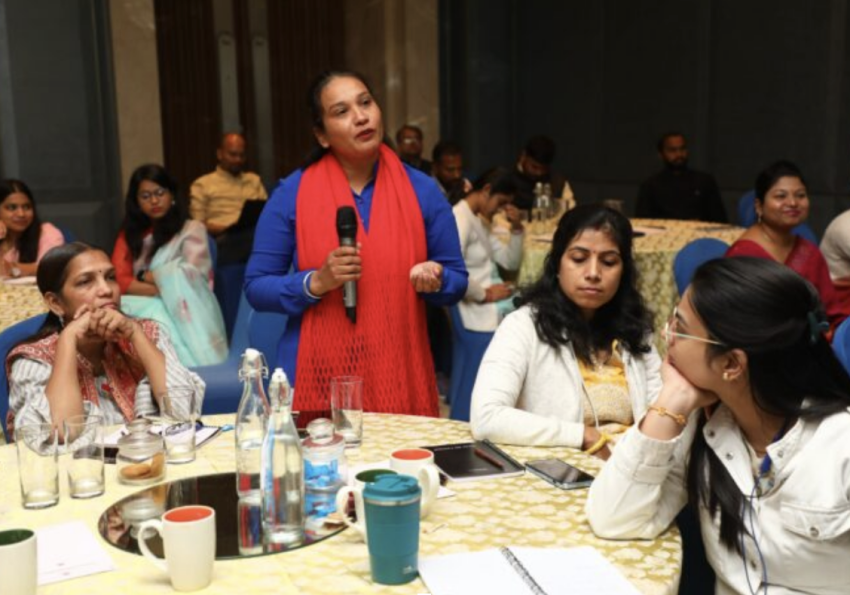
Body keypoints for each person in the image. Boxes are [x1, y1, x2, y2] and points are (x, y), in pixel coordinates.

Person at [586, 257, 850, 595]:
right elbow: (614, 517)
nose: (667, 337)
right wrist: (671, 400)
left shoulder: (838, 444)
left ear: (730, 364)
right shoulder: (700, 423)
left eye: (680, 328)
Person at [245, 70, 468, 420]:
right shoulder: (291, 193)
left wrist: (437, 278)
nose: (361, 116)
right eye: (341, 111)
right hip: (316, 373)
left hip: (399, 368)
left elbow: (457, 279)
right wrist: (315, 282)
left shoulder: (423, 190)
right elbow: (256, 286)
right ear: (321, 135)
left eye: (366, 103)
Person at [470, 205, 661, 452]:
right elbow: (487, 417)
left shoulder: (635, 330)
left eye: (609, 261)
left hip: (632, 470)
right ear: (557, 265)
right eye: (579, 259)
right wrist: (583, 436)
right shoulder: (523, 326)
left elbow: (661, 412)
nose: (593, 273)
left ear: (623, 272)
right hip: (558, 472)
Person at [6, 242, 205, 434]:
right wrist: (68, 340)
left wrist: (135, 334)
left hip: (150, 463)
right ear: (56, 302)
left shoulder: (147, 334)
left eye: (110, 277)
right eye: (85, 281)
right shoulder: (34, 360)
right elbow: (60, 436)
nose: (107, 290)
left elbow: (183, 412)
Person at [111, 164, 228, 367]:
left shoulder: (191, 230)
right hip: (139, 307)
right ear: (136, 202)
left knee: (161, 312)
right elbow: (118, 281)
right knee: (152, 310)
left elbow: (192, 281)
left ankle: (190, 371)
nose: (154, 201)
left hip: (188, 310)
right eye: (145, 196)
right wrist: (164, 286)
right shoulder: (130, 235)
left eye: (159, 193)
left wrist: (146, 277)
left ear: (171, 194)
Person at [726, 160, 848, 332]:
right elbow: (734, 319)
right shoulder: (743, 255)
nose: (793, 203)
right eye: (781, 196)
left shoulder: (809, 252)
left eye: (800, 195)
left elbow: (832, 314)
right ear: (759, 206)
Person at [453, 167, 524, 332]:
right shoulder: (460, 219)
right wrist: (485, 294)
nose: (501, 210)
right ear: (486, 190)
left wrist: (516, 227)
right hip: (477, 304)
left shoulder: (477, 219)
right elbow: (454, 271)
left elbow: (511, 262)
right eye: (501, 203)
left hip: (490, 292)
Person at [190, 133, 268, 264]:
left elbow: (267, 211)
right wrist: (226, 228)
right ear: (220, 154)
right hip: (224, 239)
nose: (238, 159)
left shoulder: (254, 180)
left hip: (254, 232)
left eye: (241, 155)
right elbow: (197, 224)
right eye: (232, 154)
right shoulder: (203, 184)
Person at [636, 132, 727, 222]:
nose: (679, 154)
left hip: (700, 234)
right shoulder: (650, 186)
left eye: (682, 149)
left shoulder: (705, 181)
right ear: (661, 154)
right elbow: (643, 223)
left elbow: (720, 221)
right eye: (672, 150)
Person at [0, 179, 64, 279]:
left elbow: (51, 269)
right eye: (12, 207)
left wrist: (12, 269)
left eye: (26, 207)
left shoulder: (48, 233)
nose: (21, 214)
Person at [509, 135, 574, 212]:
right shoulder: (506, 179)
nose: (539, 173)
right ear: (523, 156)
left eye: (544, 169)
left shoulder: (558, 181)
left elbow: (570, 212)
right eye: (534, 167)